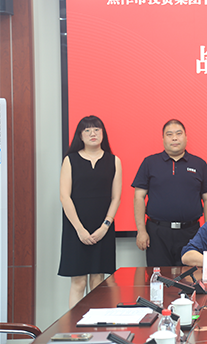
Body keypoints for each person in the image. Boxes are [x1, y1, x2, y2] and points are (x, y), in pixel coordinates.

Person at [132, 119, 207, 267]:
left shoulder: (199, 164)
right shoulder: (150, 162)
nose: (174, 138)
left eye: (178, 133)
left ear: (186, 137)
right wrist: (141, 231)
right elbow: (139, 197)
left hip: (191, 232)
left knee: (190, 277)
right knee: (159, 277)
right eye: (169, 134)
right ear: (163, 138)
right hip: (157, 233)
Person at [58, 115, 122, 308]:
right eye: (87, 130)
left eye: (96, 129)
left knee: (98, 281)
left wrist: (105, 226)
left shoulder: (114, 161)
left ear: (103, 133)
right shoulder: (70, 160)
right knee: (78, 282)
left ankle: (96, 324)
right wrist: (80, 229)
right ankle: (75, 325)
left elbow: (116, 198)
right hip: (76, 228)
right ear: (80, 135)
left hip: (103, 228)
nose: (92, 133)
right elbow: (65, 197)